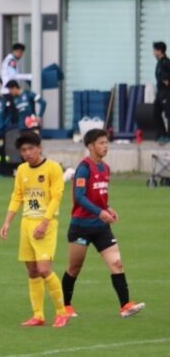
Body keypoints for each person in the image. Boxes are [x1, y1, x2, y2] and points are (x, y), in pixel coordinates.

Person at [61, 129, 145, 318]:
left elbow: (98, 196)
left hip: (101, 228)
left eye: (106, 142)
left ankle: (125, 306)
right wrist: (100, 212)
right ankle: (65, 306)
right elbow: (80, 196)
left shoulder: (105, 168)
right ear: (91, 146)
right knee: (74, 268)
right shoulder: (84, 168)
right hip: (81, 227)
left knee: (117, 263)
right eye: (101, 143)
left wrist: (108, 207)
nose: (105, 146)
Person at [0, 131, 70, 328]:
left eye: (31, 148)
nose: (27, 153)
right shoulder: (22, 170)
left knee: (44, 269)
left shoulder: (53, 168)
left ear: (40, 148)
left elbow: (56, 197)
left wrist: (45, 223)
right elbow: (17, 196)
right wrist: (7, 222)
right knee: (32, 270)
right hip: (27, 223)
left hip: (45, 223)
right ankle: (38, 315)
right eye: (23, 150)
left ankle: (62, 312)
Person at [153, 41, 170, 144]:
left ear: (160, 51)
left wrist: (167, 80)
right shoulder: (159, 63)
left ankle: (168, 136)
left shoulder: (166, 63)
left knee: (168, 114)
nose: (153, 52)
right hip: (160, 92)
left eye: (155, 50)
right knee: (156, 112)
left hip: (166, 93)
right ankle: (162, 134)